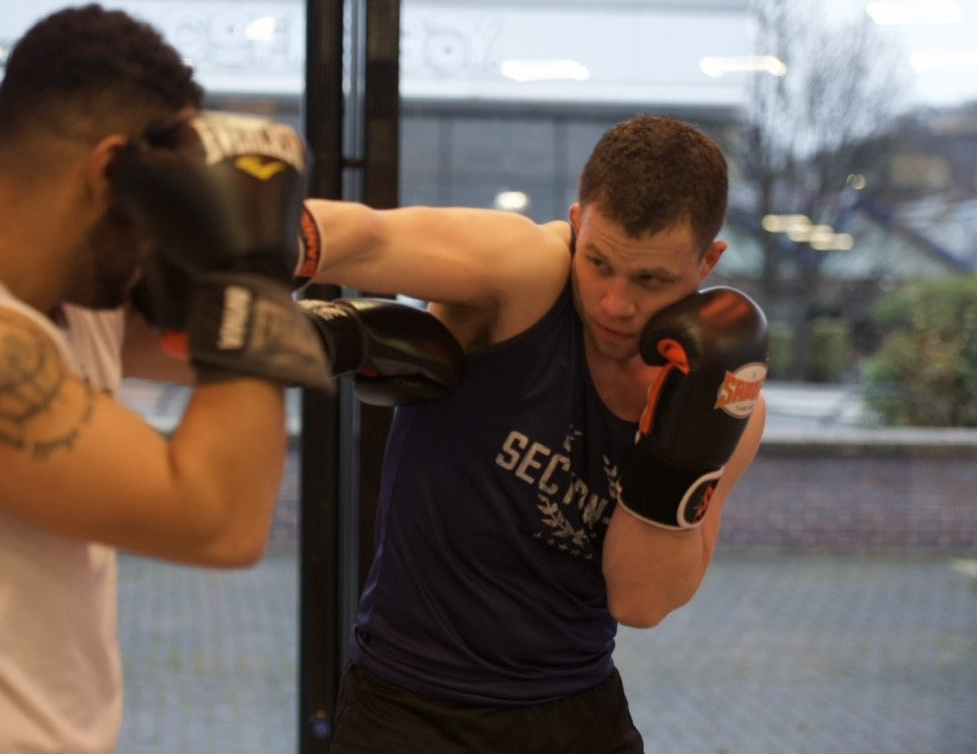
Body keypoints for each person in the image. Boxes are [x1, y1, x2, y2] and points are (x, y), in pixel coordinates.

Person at [0, 4, 340, 753]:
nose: (160, 235)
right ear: (106, 175)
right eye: (156, 205)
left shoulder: (59, 298)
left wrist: (353, 314)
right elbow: (219, 519)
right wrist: (243, 266)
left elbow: (218, 349)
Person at [299, 114, 770, 752]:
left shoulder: (725, 397)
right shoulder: (528, 275)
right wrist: (266, 234)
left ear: (708, 261)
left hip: (576, 714)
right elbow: (374, 241)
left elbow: (640, 601)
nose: (615, 304)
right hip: (409, 705)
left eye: (651, 280)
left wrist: (679, 446)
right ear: (576, 224)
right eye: (598, 263)